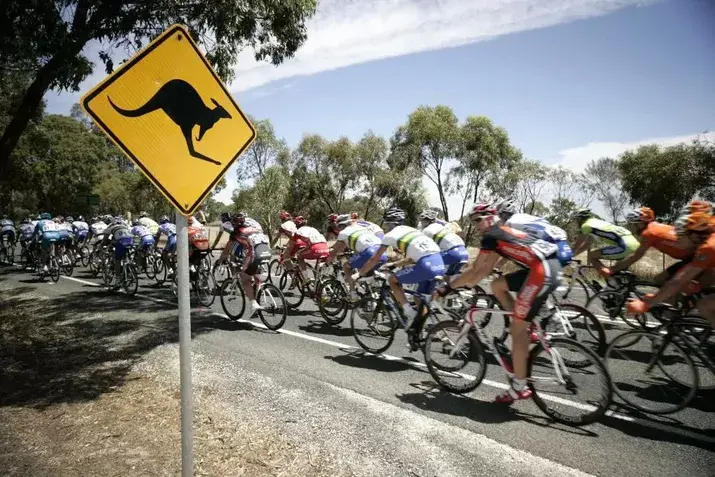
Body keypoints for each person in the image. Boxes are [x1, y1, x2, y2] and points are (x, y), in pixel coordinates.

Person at [434, 203, 562, 403]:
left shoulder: (491, 236)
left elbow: (476, 271)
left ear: (490, 217)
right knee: (497, 285)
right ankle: (523, 322)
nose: (476, 226)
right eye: (473, 222)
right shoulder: (498, 234)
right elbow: (484, 272)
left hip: (541, 272)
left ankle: (519, 387)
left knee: (517, 332)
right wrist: (464, 285)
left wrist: (449, 287)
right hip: (547, 266)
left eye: (478, 220)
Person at [355, 208, 444, 349]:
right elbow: (413, 257)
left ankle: (409, 313)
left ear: (390, 224)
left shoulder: (390, 235)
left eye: (385, 224)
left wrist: (360, 274)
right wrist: (394, 264)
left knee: (392, 280)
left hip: (426, 264)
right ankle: (417, 336)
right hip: (439, 263)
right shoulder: (413, 231)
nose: (385, 227)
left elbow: (374, 258)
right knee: (421, 299)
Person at [627, 211, 715, 328]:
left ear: (693, 235)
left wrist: (646, 304)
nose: (676, 239)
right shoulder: (705, 245)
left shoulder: (708, 248)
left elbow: (678, 281)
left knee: (704, 305)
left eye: (680, 236)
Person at [604, 207, 695, 285]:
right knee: (663, 281)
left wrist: (612, 269)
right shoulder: (654, 227)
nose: (629, 227)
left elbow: (636, 256)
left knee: (661, 280)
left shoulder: (649, 233)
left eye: (631, 224)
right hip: (690, 257)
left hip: (694, 257)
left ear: (640, 224)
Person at [216, 213, 272, 316]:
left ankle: (254, 304)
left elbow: (227, 251)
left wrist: (220, 261)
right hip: (267, 250)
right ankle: (258, 290)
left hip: (254, 253)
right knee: (254, 272)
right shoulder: (252, 226)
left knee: (245, 279)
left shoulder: (236, 232)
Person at [492, 200, 573, 266]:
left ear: (503, 214)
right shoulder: (524, 216)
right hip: (563, 247)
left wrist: (498, 265)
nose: (499, 219)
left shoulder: (510, 223)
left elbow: (510, 247)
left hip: (552, 253)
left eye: (499, 216)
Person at [325, 214, 387, 299]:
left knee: (346, 266)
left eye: (339, 227)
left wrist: (326, 263)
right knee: (367, 268)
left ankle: (353, 293)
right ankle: (374, 284)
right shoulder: (363, 227)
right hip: (382, 252)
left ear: (342, 225)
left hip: (369, 252)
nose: (339, 229)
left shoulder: (343, 232)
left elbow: (335, 251)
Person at [570, 208, 639, 276]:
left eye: (575, 220)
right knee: (617, 273)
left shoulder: (586, 226)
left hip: (625, 245)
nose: (575, 222)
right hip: (634, 243)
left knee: (592, 256)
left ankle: (609, 280)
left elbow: (577, 245)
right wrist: (573, 255)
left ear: (579, 219)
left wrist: (568, 256)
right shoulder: (595, 223)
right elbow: (587, 244)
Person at [417, 209, 469, 277]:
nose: (421, 223)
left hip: (452, 253)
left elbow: (422, 250)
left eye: (421, 221)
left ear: (425, 221)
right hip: (464, 252)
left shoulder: (426, 231)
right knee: (448, 280)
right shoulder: (441, 226)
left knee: (427, 268)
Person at [283, 216, 330, 282]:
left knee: (299, 255)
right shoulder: (313, 229)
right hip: (326, 247)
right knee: (317, 268)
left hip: (315, 248)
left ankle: (306, 278)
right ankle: (320, 283)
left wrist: (289, 255)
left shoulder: (298, 231)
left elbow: (292, 245)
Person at [101, 217, 134, 289]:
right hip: (131, 240)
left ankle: (117, 280)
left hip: (121, 242)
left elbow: (105, 240)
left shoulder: (110, 227)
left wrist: (103, 246)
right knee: (126, 256)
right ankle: (129, 270)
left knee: (117, 260)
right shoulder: (125, 226)